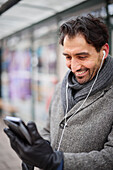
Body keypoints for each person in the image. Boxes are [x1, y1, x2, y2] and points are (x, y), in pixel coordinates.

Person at [4, 14, 113, 170]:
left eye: (82, 56)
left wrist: (57, 162)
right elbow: (49, 129)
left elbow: (110, 157)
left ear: (104, 51)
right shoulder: (61, 86)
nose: (74, 67)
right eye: (68, 57)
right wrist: (36, 152)